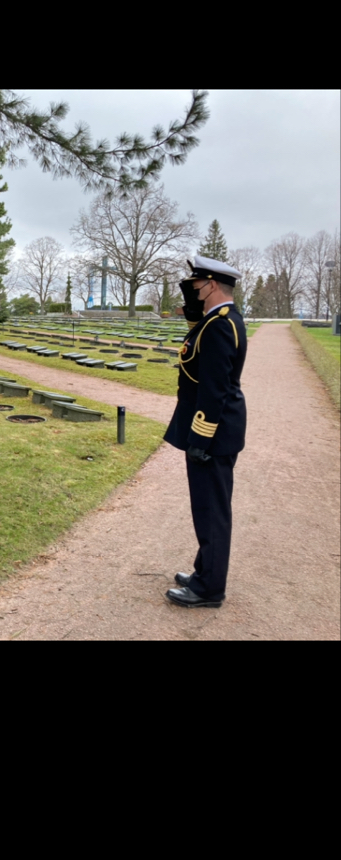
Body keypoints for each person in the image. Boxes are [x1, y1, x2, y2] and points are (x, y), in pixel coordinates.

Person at [163, 255, 247, 607]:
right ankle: (204, 571)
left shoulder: (219, 325)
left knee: (211, 510)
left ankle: (210, 588)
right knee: (207, 507)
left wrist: (200, 438)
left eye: (196, 286)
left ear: (211, 285)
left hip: (213, 432)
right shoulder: (219, 321)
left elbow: (214, 389)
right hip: (217, 429)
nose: (193, 292)